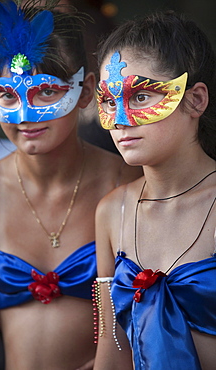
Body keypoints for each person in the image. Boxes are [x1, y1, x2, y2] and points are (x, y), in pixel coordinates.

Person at [0, 1, 143, 369]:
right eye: (7, 95)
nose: (25, 115)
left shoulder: (127, 183)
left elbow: (150, 319)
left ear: (84, 91)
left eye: (46, 91)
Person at [93, 10, 216, 370]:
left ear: (194, 100)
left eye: (141, 98)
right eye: (109, 101)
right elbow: (111, 345)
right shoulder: (110, 211)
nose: (119, 118)